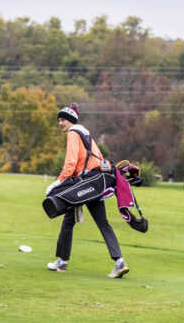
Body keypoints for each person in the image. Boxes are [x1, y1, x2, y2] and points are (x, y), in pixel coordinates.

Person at [45, 103, 129, 278]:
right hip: (96, 183)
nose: (60, 123)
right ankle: (119, 261)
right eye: (59, 120)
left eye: (63, 120)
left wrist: (57, 182)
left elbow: (71, 162)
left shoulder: (73, 133)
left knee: (69, 220)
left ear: (71, 121)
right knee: (98, 222)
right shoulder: (85, 133)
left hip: (85, 183)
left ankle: (62, 261)